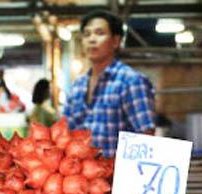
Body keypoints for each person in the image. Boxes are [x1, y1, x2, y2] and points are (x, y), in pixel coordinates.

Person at [63, 9, 155, 157]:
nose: (92, 39)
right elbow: (65, 133)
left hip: (119, 176)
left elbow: (146, 137)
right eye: (87, 34)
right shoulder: (77, 87)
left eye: (99, 33)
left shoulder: (131, 81)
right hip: (81, 176)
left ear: (116, 41)